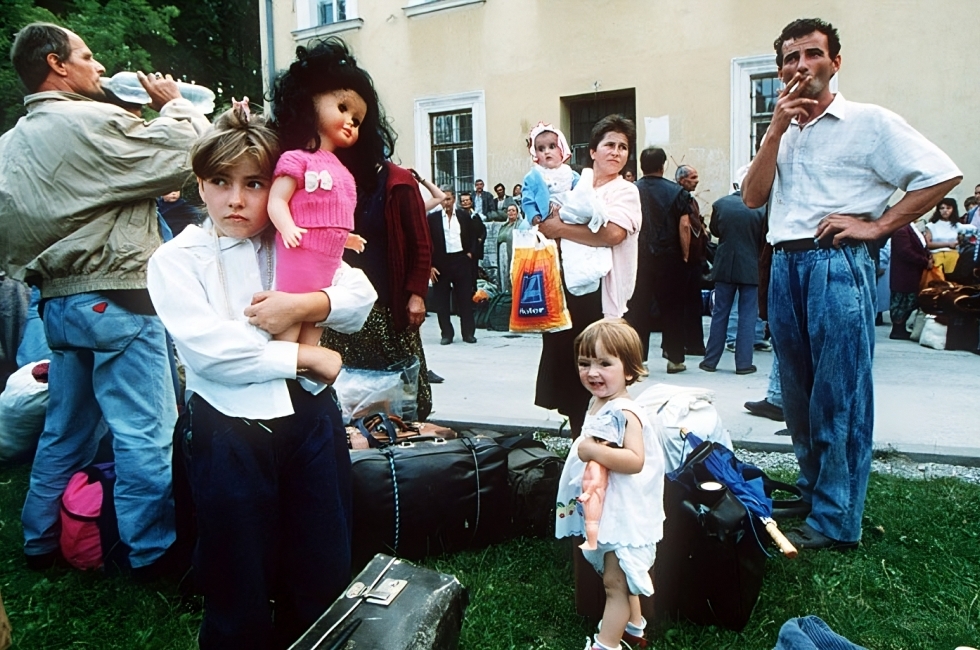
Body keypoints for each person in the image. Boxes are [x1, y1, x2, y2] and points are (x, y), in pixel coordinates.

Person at [147, 104, 376, 649]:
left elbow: (359, 295)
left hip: (310, 419)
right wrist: (303, 357)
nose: (237, 199)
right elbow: (209, 352)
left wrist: (307, 302)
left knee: (322, 552)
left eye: (254, 183)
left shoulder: (292, 238)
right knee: (235, 563)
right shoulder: (179, 258)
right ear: (199, 185)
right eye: (220, 182)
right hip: (229, 427)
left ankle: (314, 637)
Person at [742, 17, 961, 551]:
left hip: (837, 265)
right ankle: (816, 493)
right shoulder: (780, 130)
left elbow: (941, 172)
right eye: (790, 58)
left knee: (839, 398)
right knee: (796, 395)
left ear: (835, 62)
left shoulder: (869, 122)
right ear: (780, 69)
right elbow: (751, 197)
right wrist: (773, 130)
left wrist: (880, 225)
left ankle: (838, 521)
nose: (800, 66)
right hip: (787, 265)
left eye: (812, 54)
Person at [0, 22, 210, 573]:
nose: (99, 67)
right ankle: (152, 551)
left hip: (58, 305)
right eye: (87, 56)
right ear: (56, 64)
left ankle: (40, 539)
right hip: (118, 298)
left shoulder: (11, 143)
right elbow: (190, 154)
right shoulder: (91, 119)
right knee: (146, 430)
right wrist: (174, 105)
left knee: (64, 431)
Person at [554, 319, 664, 650]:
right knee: (616, 572)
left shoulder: (626, 412)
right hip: (607, 506)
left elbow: (635, 460)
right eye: (585, 363)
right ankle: (633, 627)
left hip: (626, 511)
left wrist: (591, 450)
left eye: (605, 363)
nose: (592, 372)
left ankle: (606, 644)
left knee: (616, 581)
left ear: (629, 371)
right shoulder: (599, 402)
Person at [536, 115, 641, 436]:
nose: (617, 152)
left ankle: (601, 442)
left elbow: (612, 234)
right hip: (565, 293)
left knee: (600, 373)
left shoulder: (625, 191)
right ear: (593, 151)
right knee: (569, 377)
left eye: (624, 147)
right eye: (610, 144)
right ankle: (578, 442)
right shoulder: (573, 185)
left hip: (601, 298)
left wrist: (561, 229)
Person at [267, 40, 372, 350]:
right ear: (309, 102)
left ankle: (306, 376)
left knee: (315, 318)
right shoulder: (298, 158)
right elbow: (277, 200)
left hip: (328, 257)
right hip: (299, 247)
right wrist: (286, 225)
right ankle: (287, 367)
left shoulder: (343, 170)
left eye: (357, 119)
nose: (350, 122)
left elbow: (337, 213)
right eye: (343, 108)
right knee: (291, 313)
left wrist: (347, 238)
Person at [624, 147, 694, 370]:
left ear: (641, 166)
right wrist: (685, 255)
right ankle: (674, 359)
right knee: (672, 308)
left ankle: (638, 362)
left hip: (639, 258)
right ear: (663, 165)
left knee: (638, 309)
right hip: (670, 258)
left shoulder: (631, 191)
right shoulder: (678, 193)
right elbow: (684, 226)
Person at [700, 187, 766, 374]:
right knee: (748, 316)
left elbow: (715, 231)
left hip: (725, 265)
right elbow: (763, 238)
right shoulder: (761, 209)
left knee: (720, 313)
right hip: (751, 267)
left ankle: (710, 361)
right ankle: (744, 363)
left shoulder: (720, 204)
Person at [428, 188, 481, 345]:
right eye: (443, 199)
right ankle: (446, 334)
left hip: (461, 260)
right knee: (442, 301)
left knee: (464, 299)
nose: (447, 203)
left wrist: (470, 254)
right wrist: (430, 265)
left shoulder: (464, 217)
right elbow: (427, 242)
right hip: (441, 263)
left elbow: (474, 236)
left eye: (449, 199)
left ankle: (468, 333)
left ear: (454, 200)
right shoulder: (433, 219)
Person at [674, 164, 708, 357]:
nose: (697, 181)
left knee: (690, 302)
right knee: (688, 302)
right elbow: (685, 227)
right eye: (693, 178)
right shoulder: (682, 197)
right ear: (682, 180)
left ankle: (692, 343)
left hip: (692, 258)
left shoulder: (687, 198)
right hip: (687, 259)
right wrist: (686, 255)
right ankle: (691, 343)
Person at [888, 223, 932, 340]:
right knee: (902, 301)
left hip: (911, 273)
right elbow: (905, 252)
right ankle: (897, 329)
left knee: (909, 300)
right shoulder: (901, 231)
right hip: (904, 273)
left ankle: (900, 328)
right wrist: (924, 261)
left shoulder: (911, 229)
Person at [924, 198, 961, 273]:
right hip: (936, 256)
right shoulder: (931, 225)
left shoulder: (957, 226)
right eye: (942, 208)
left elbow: (960, 242)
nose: (945, 211)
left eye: (948, 208)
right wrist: (948, 244)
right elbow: (928, 244)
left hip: (953, 257)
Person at [496, 204, 522, 293]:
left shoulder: (519, 225)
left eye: (513, 210)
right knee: (503, 273)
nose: (511, 212)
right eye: (509, 210)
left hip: (512, 252)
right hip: (502, 253)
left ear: (517, 213)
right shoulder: (504, 226)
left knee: (510, 272)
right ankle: (504, 292)